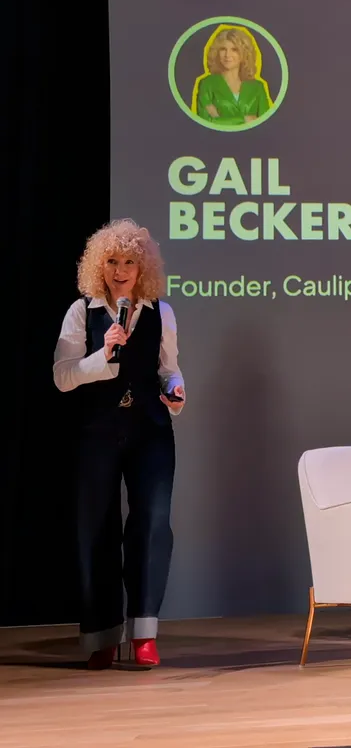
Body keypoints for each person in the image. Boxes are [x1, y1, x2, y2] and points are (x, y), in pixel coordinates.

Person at [53, 219, 186, 670]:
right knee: (97, 530)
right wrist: (102, 355)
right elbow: (62, 376)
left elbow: (169, 369)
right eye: (111, 261)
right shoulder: (81, 312)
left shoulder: (160, 311)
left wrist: (176, 389)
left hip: (149, 429)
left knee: (152, 524)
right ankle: (102, 636)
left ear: (142, 266)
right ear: (99, 266)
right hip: (96, 433)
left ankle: (144, 632)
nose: (121, 269)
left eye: (130, 261)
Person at [193, 26, 272, 126]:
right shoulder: (207, 83)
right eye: (223, 49)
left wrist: (221, 119)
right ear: (216, 52)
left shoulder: (257, 87)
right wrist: (244, 120)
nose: (227, 55)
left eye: (234, 49)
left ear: (245, 53)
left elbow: (265, 123)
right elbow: (206, 121)